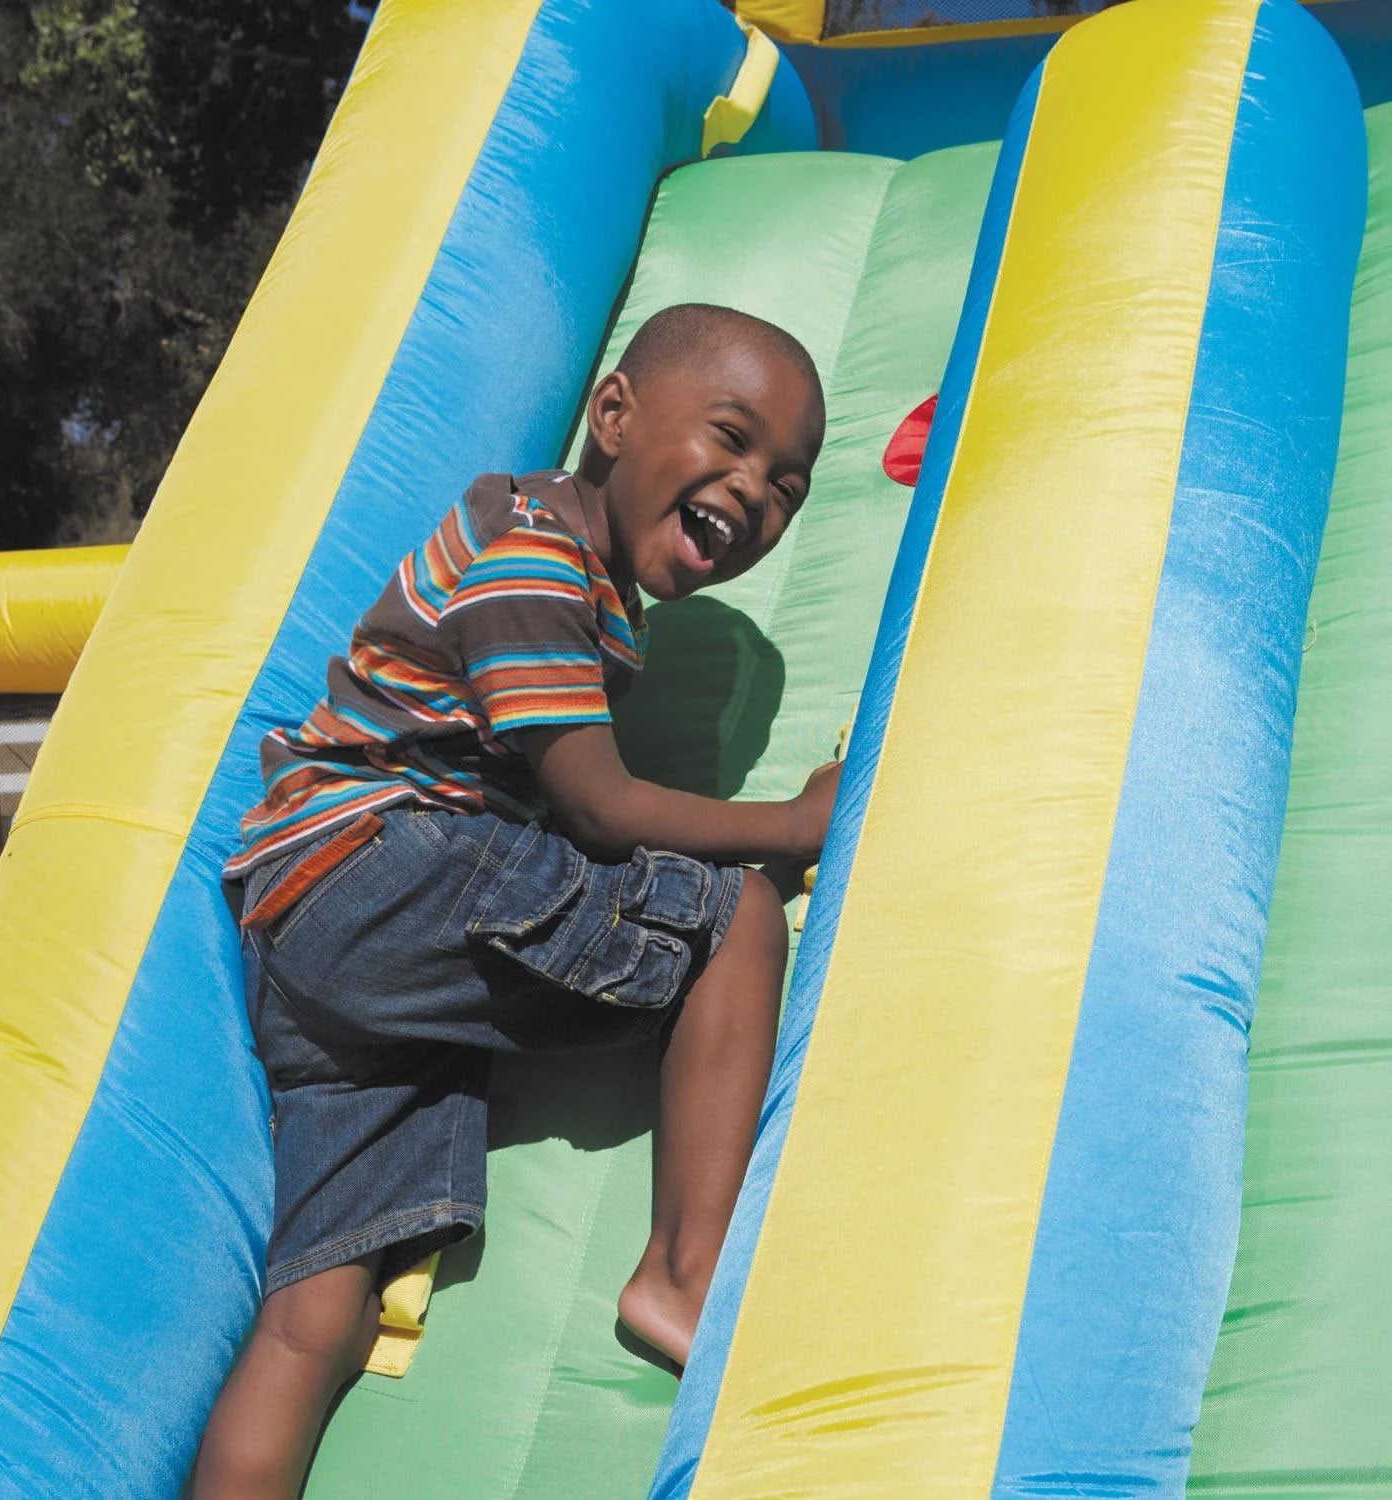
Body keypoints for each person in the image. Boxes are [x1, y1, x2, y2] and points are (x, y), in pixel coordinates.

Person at [193, 303, 839, 1497]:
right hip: (381, 871)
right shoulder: (534, 555)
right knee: (737, 917)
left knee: (319, 1309)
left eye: (789, 486)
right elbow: (598, 807)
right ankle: (684, 1274)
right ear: (613, 414)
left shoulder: (553, 564)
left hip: (315, 936)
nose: (756, 490)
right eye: (731, 438)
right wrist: (791, 828)